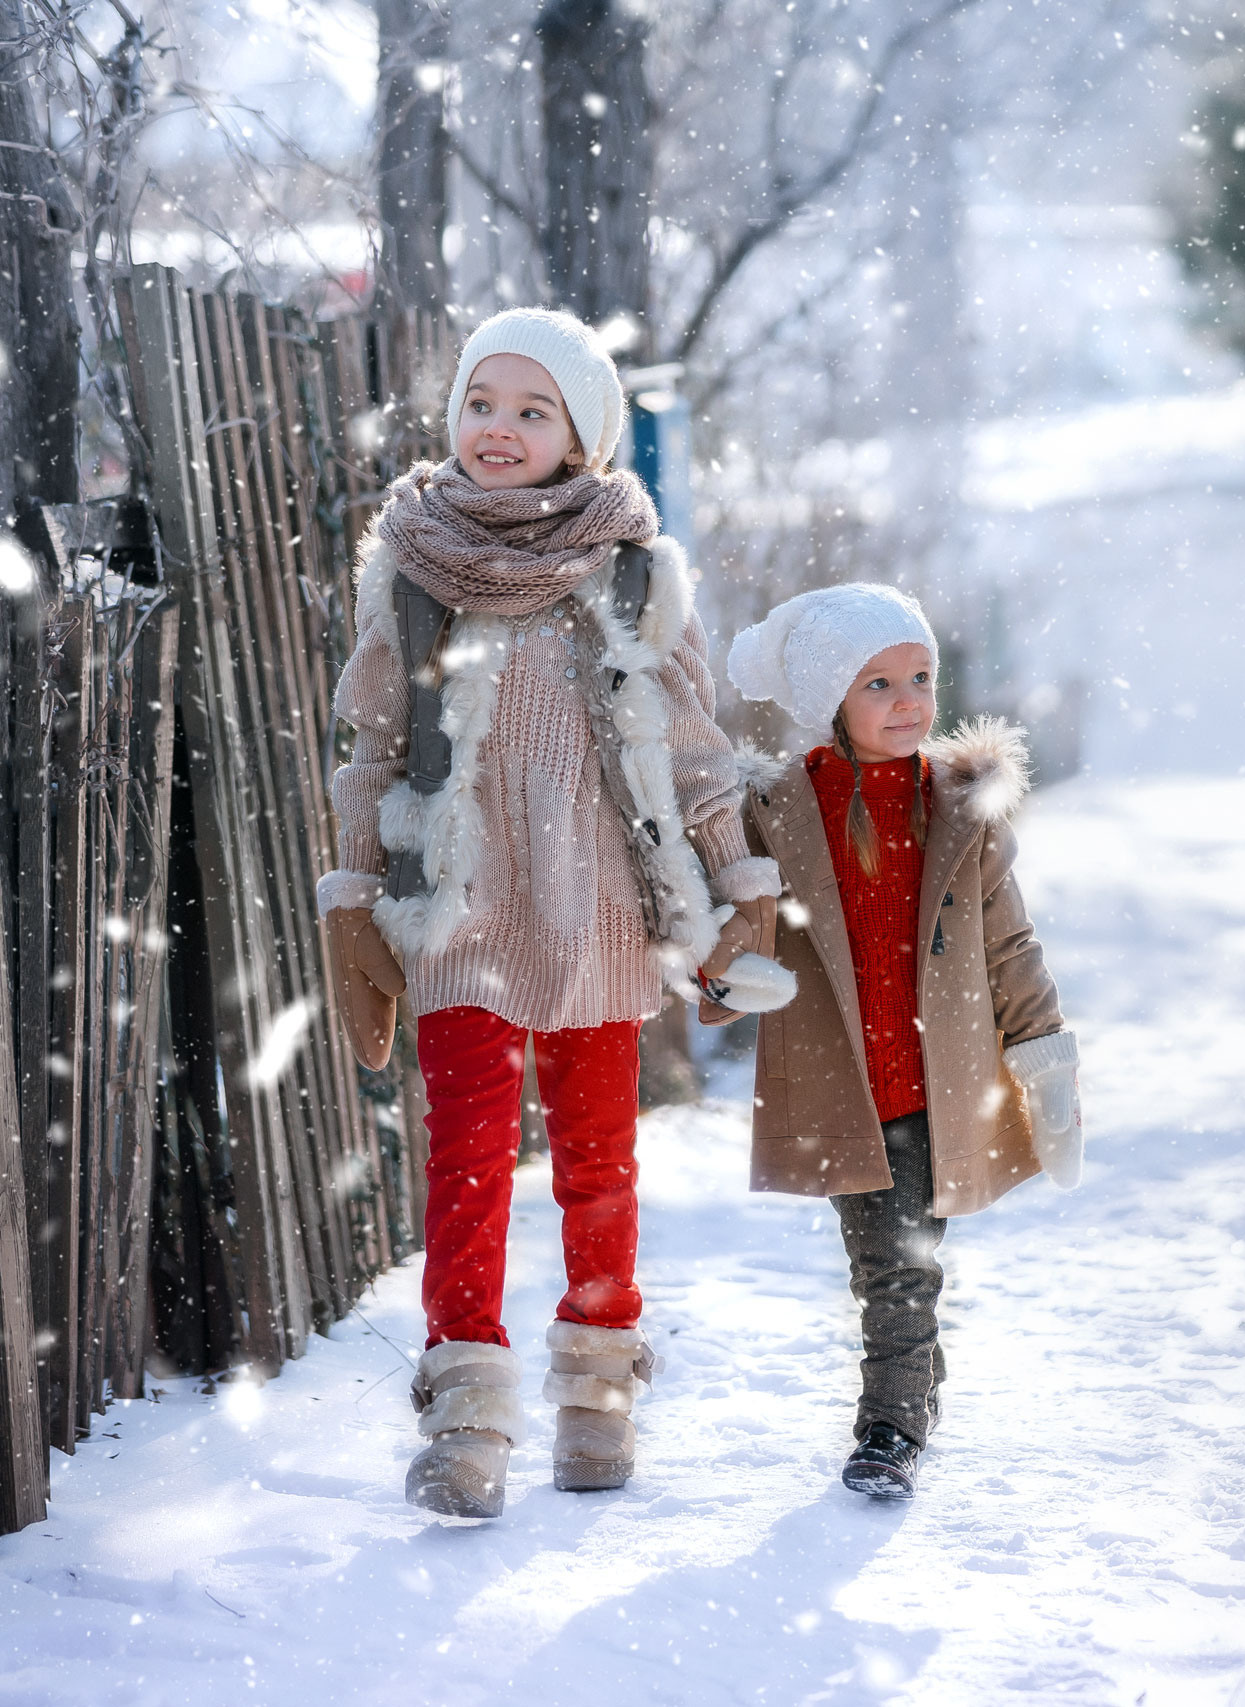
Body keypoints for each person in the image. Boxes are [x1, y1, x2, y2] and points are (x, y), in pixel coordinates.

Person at [318, 308, 781, 1519]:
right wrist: (352, 901)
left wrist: (741, 886)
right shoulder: (412, 568)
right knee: (467, 1161)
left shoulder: (632, 570)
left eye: (533, 411)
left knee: (596, 1163)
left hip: (599, 915)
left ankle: (596, 1391)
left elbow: (692, 753)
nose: (499, 428)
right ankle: (467, 1411)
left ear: (580, 438)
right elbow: (369, 753)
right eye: (481, 403)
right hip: (457, 918)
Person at [715, 583, 1083, 1499]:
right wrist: (721, 971)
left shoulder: (960, 809)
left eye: (920, 677)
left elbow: (1010, 944)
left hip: (933, 1082)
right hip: (844, 1083)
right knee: (888, 1264)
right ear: (829, 700)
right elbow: (730, 921)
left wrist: (1044, 1054)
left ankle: (890, 1425)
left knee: (901, 1266)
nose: (908, 700)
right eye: (877, 683)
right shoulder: (778, 810)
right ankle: (910, 1391)